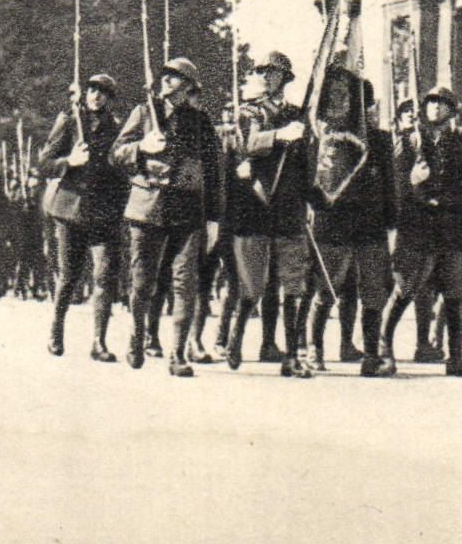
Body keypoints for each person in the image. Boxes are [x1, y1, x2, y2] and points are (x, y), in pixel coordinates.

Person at [111, 57, 223, 377]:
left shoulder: (201, 122)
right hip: (147, 208)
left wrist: (214, 217)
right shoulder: (144, 113)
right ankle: (137, 335)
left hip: (188, 211)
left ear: (188, 87)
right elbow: (116, 153)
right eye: (166, 76)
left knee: (185, 282)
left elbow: (214, 172)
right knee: (142, 282)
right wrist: (142, 147)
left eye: (175, 78)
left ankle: (177, 353)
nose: (167, 81)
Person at [227, 50, 315, 377]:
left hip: (289, 208)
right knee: (255, 284)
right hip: (256, 206)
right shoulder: (247, 112)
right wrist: (280, 135)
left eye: (274, 72)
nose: (267, 76)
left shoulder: (297, 114)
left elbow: (306, 163)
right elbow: (245, 144)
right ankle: (236, 337)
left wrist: (313, 198)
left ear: (284, 78)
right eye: (262, 71)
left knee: (293, 284)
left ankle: (292, 355)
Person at [306, 75, 398, 376]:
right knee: (327, 290)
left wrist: (392, 227)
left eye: (347, 97)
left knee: (373, 292)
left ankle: (371, 354)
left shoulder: (380, 141)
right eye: (333, 96)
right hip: (331, 223)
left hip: (370, 226)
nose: (340, 102)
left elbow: (389, 187)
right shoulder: (318, 138)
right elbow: (309, 180)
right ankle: (314, 349)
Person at [386, 85, 462, 376]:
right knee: (406, 289)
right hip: (418, 227)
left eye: (442, 104)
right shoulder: (410, 141)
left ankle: (455, 357)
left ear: (452, 111)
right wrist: (413, 181)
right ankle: (382, 348)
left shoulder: (461, 145)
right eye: (431, 103)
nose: (435, 108)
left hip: (452, 229)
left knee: (455, 292)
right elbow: (394, 186)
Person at [40, 73, 128, 361]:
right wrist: (69, 162)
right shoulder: (69, 122)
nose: (96, 96)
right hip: (72, 211)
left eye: (103, 92)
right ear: (85, 93)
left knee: (104, 276)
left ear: (110, 99)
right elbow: (43, 163)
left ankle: (99, 342)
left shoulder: (117, 128)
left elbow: (121, 166)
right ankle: (56, 331)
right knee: (69, 277)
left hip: (104, 212)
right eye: (92, 90)